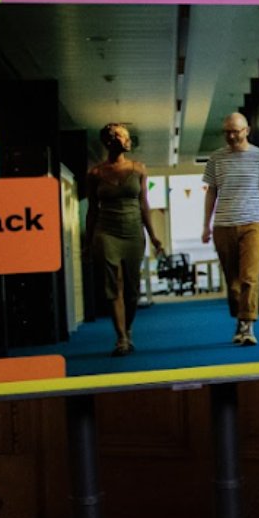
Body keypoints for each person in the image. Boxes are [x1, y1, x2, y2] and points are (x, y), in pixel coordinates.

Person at [84, 122, 164, 356]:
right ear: (110, 141)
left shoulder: (138, 169)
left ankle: (127, 329)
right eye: (123, 136)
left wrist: (154, 237)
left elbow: (144, 205)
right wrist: (88, 243)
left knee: (132, 289)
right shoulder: (95, 173)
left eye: (128, 137)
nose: (128, 141)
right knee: (113, 284)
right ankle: (121, 339)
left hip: (132, 232)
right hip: (105, 232)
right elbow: (91, 211)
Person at [201, 112, 259, 347]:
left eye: (235, 131)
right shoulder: (215, 158)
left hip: (253, 223)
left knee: (250, 277)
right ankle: (240, 316)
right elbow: (211, 192)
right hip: (224, 224)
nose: (231, 136)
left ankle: (247, 325)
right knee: (232, 281)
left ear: (247, 130)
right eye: (227, 132)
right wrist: (206, 225)